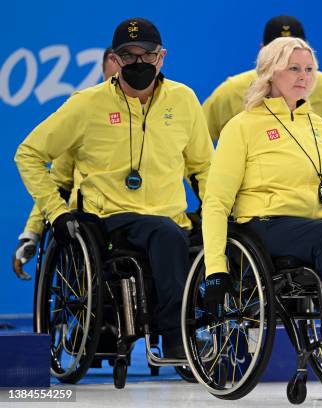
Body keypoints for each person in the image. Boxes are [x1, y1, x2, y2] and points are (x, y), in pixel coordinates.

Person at [15, 18, 213, 358]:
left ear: (161, 57)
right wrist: (49, 218)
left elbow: (204, 168)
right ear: (115, 59)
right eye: (128, 55)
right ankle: (176, 337)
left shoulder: (184, 101)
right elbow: (32, 156)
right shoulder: (87, 105)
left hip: (172, 219)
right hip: (110, 220)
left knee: (212, 236)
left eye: (146, 55)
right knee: (164, 233)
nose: (138, 63)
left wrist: (216, 213)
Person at [202, 37, 322, 376]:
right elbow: (216, 201)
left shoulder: (320, 127)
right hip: (265, 224)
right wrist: (216, 268)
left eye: (308, 69)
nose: (303, 76)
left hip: (319, 223)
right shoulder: (242, 126)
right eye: (293, 68)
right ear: (270, 73)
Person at [202, 15, 322, 182]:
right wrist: (214, 191)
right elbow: (196, 146)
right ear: (262, 52)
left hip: (318, 204)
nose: (288, 61)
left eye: (295, 53)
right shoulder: (231, 91)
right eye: (279, 55)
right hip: (249, 204)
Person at [12, 47, 120, 281]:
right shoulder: (86, 115)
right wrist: (32, 231)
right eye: (113, 80)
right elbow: (59, 183)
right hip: (92, 224)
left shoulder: (157, 118)